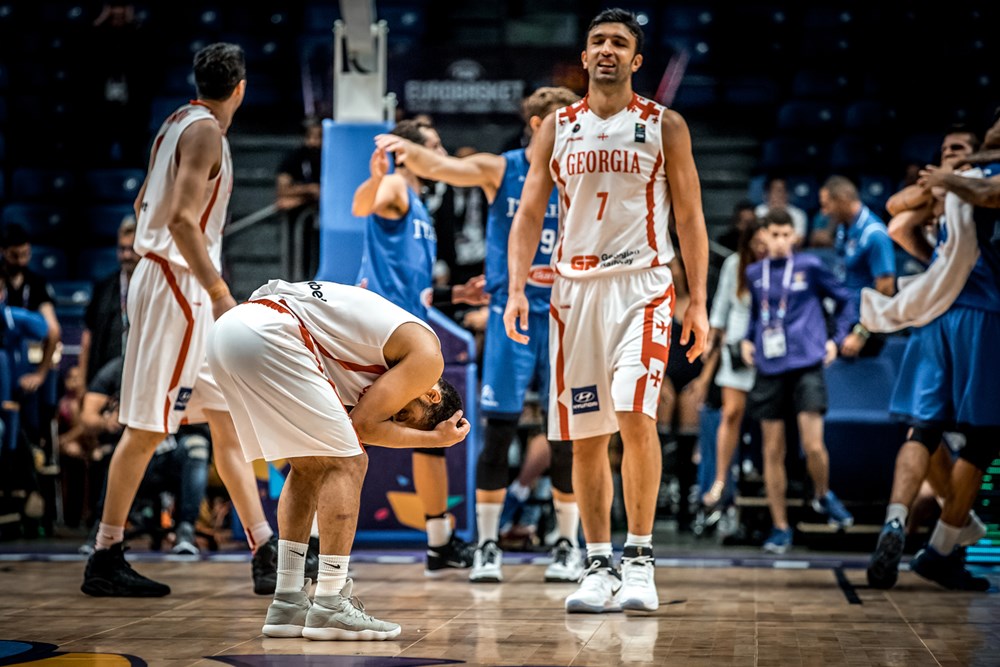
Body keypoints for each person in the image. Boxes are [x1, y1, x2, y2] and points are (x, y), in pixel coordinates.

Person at [504, 8, 710, 613]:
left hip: (644, 284)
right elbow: (527, 215)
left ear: (636, 59)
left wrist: (695, 298)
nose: (608, 51)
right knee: (586, 437)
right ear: (585, 55)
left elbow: (692, 217)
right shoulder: (556, 128)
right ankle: (598, 564)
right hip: (573, 294)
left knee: (634, 414)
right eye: (598, 42)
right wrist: (518, 289)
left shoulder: (664, 125)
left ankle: (640, 561)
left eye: (620, 43)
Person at [80, 43, 280, 597]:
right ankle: (105, 552)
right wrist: (217, 291)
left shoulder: (175, 122)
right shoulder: (206, 132)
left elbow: (145, 200)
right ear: (240, 88)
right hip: (178, 283)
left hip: (172, 278)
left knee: (226, 419)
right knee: (147, 425)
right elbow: (180, 221)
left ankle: (265, 548)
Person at [373, 86, 584, 584]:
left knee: (566, 437)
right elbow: (447, 169)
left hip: (566, 315)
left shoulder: (582, 173)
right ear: (538, 125)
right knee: (500, 429)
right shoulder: (503, 169)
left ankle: (567, 545)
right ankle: (488, 543)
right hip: (510, 315)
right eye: (563, 120)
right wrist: (407, 149)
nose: (574, 129)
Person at [208, 279, 470, 640]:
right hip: (272, 334)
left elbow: (363, 426)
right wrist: (434, 439)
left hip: (230, 332)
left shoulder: (376, 359)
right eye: (404, 414)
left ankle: (287, 601)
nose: (394, 417)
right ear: (431, 393)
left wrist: (426, 434)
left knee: (309, 467)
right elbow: (364, 427)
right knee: (350, 462)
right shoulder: (428, 357)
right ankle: (330, 602)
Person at [866, 120, 1000, 591]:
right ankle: (942, 544)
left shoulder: (971, 183)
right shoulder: (957, 187)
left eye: (961, 147)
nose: (953, 153)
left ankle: (904, 523)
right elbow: (899, 217)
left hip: (937, 311)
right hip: (977, 311)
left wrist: (944, 183)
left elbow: (899, 220)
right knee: (982, 437)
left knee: (925, 426)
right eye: (946, 149)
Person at [353, 119, 484, 576]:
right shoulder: (397, 188)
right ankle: (310, 544)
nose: (442, 152)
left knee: (436, 427)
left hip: (404, 333)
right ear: (411, 152)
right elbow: (365, 203)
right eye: (435, 145)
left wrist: (455, 297)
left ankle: (438, 544)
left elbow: (414, 290)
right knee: (341, 437)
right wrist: (376, 180)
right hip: (378, 339)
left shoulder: (423, 208)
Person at [740, 211, 856, 554]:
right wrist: (748, 339)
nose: (779, 240)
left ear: (794, 237)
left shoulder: (810, 267)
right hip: (769, 367)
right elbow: (756, 316)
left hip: (806, 363)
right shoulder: (754, 272)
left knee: (813, 444)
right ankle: (780, 528)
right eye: (773, 233)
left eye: (785, 233)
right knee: (772, 451)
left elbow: (846, 299)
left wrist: (837, 338)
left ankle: (822, 494)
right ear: (763, 236)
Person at [81, 356, 211, 555]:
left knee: (197, 446)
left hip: (176, 451)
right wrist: (108, 421)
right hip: (141, 452)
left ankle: (186, 528)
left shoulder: (190, 365)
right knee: (123, 452)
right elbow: (87, 417)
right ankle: (102, 531)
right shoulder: (119, 368)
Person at [701, 218, 767, 510]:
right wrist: (711, 338)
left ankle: (761, 472)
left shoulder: (781, 266)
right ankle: (720, 479)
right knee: (731, 413)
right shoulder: (734, 264)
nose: (762, 249)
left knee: (768, 420)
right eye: (758, 244)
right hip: (737, 348)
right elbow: (720, 308)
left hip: (770, 350)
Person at [819, 175, 897, 358]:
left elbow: (886, 289)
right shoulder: (842, 228)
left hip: (863, 328)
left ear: (842, 200)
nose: (824, 212)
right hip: (842, 318)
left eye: (827, 204)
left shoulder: (875, 235)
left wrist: (861, 333)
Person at [1, 224, 61, 397]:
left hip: (27, 357)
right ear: (3, 251)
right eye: (15, 255)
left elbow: (53, 330)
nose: (21, 261)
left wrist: (40, 374)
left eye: (25, 254)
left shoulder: (36, 283)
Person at [78, 216, 139, 384]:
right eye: (122, 249)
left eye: (132, 249)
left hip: (140, 373)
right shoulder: (103, 288)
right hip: (104, 373)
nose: (126, 255)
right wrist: (82, 381)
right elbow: (87, 337)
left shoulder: (154, 288)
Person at [755, 177, 808, 244]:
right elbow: (756, 239)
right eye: (776, 191)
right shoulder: (758, 212)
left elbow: (798, 241)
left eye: (783, 191)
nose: (780, 195)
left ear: (788, 194)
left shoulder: (798, 214)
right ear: (767, 194)